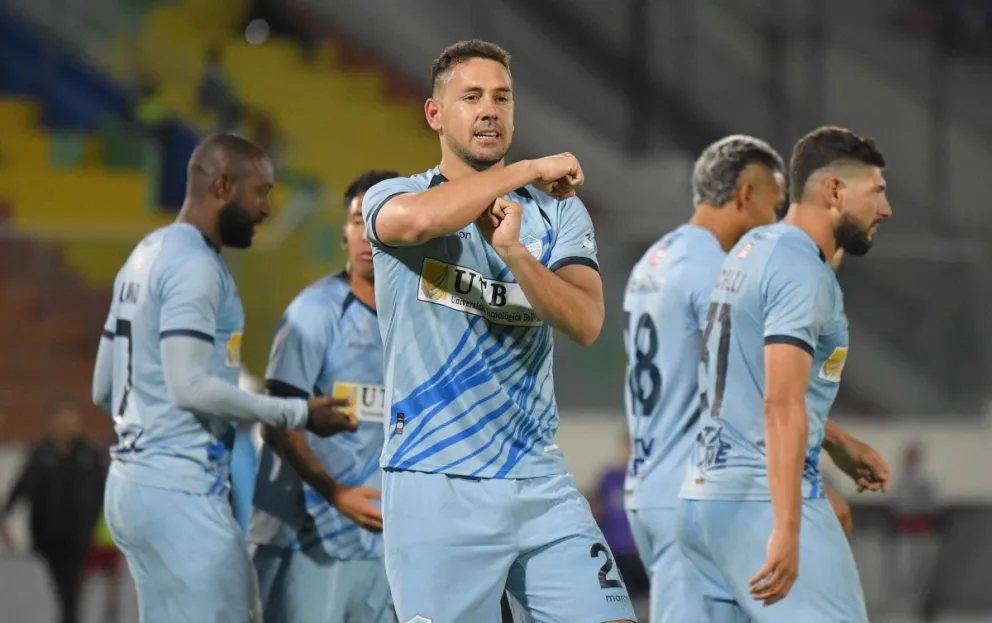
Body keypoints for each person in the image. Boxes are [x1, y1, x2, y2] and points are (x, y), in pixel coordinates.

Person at [361, 40, 636, 622]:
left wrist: (515, 255)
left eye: (502, 97)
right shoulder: (394, 196)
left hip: (538, 478)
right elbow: (423, 220)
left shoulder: (556, 213)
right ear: (436, 114)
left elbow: (585, 321)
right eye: (472, 96)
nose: (490, 109)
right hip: (436, 481)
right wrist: (527, 169)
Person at [90, 133, 358, 623]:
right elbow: (188, 386)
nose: (268, 208)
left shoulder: (144, 254)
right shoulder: (195, 267)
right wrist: (296, 411)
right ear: (223, 186)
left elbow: (103, 388)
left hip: (131, 488)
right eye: (261, 192)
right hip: (180, 492)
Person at [677, 126, 893, 622]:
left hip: (704, 500)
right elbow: (779, 402)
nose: (885, 209)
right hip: (760, 501)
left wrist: (835, 441)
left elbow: (741, 377)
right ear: (834, 190)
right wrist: (790, 525)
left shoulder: (754, 247)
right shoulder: (802, 271)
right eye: (877, 191)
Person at [248, 169, 399, 623]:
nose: (366, 235)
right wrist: (335, 494)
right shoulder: (313, 315)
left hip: (382, 544)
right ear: (342, 233)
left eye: (380, 221)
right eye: (357, 221)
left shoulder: (418, 324)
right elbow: (275, 422)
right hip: (307, 536)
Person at [1, 405, 106, 623]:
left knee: (71, 588)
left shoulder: (90, 454)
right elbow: (22, 486)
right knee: (56, 588)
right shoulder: (41, 453)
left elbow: (105, 490)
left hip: (79, 535)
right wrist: (6, 515)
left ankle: (69, 618)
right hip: (46, 534)